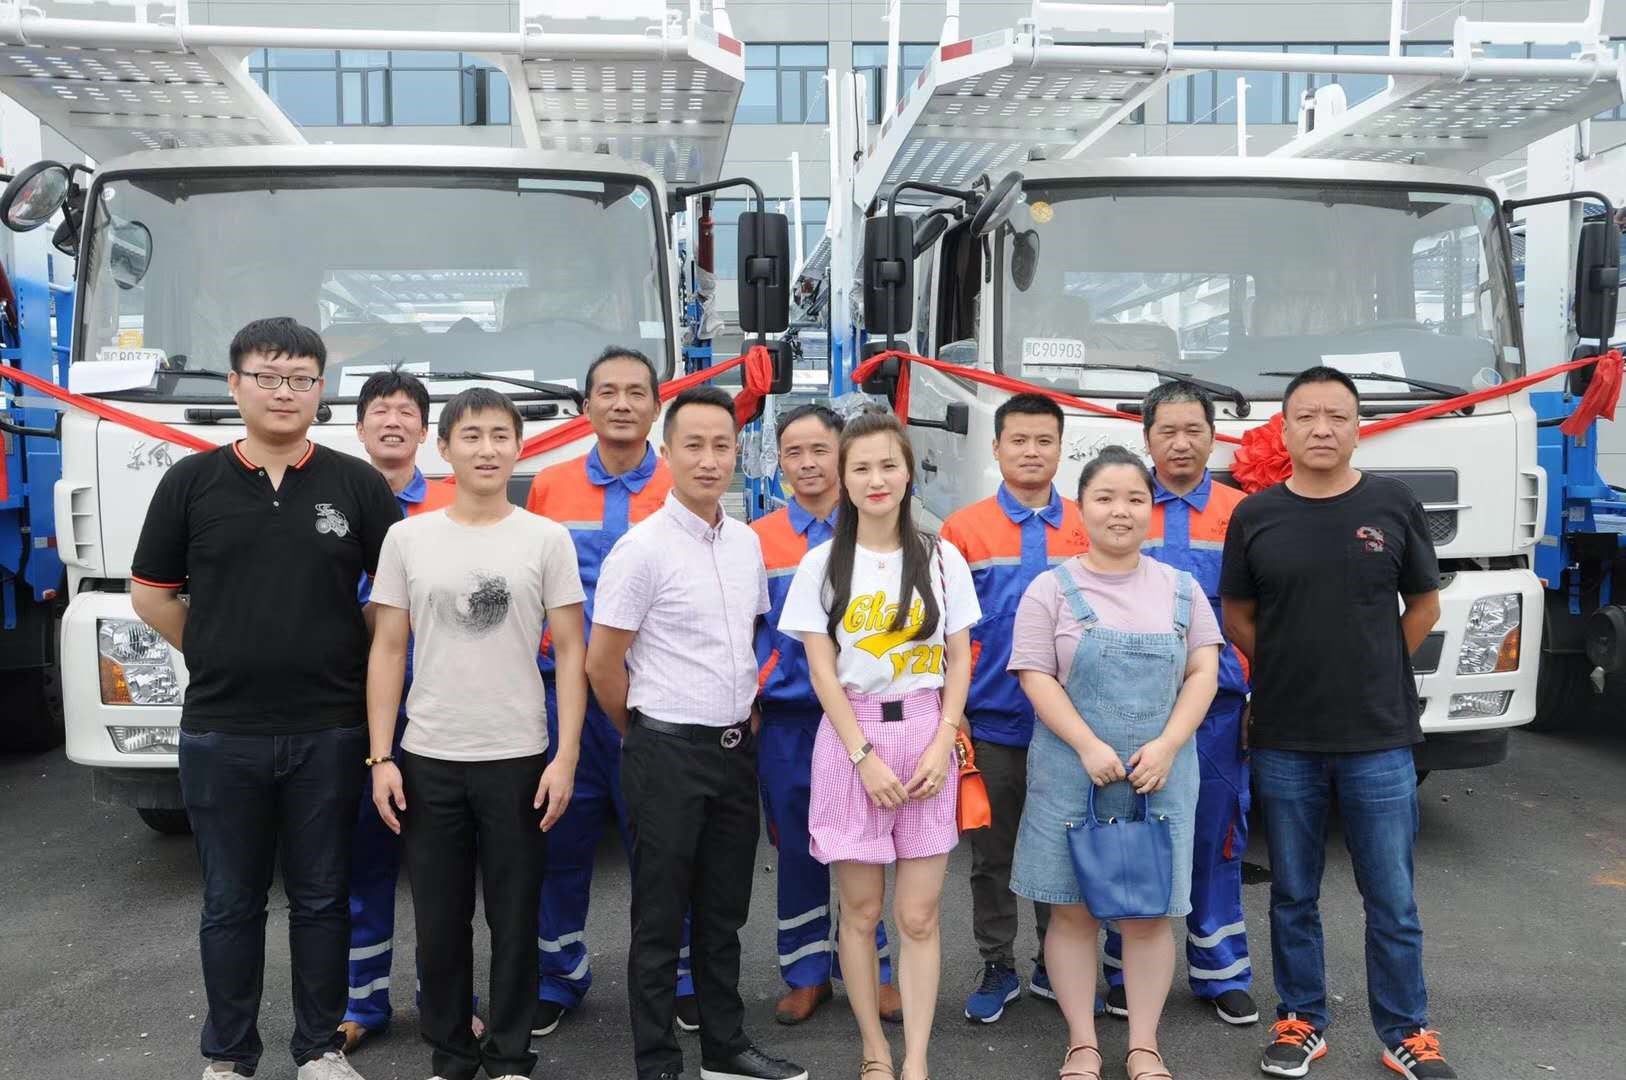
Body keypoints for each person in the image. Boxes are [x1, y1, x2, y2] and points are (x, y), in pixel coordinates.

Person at [131, 317, 401, 1080]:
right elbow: (151, 594)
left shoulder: (356, 485)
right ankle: (229, 1056)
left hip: (331, 729)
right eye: (268, 377)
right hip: (222, 731)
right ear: (235, 385)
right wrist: (215, 649)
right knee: (230, 901)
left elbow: (396, 593)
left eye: (301, 379)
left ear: (321, 389)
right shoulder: (192, 482)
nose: (285, 392)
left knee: (322, 897)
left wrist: (346, 645)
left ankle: (319, 1049)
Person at [1220, 367, 1451, 1080]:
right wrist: (1289, 666)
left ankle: (1406, 1031)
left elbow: (1424, 606)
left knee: (1392, 898)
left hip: (1379, 735)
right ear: (1284, 429)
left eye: (1338, 416)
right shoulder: (1256, 515)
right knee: (1293, 893)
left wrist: (1373, 666)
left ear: (1357, 428)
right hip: (1285, 735)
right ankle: (1300, 1021)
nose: (1322, 428)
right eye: (1307, 416)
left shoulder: (1392, 503)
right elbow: (1238, 615)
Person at [365, 387, 587, 1080]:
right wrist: (381, 756)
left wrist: (565, 756)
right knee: (439, 920)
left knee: (515, 917)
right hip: (429, 755)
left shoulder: (545, 538)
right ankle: (452, 1052)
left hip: (519, 756)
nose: (486, 449)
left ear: (519, 446)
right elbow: (388, 650)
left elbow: (572, 652)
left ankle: (512, 1053)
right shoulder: (407, 538)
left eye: (499, 436)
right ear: (444, 448)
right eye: (471, 436)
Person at [589, 385, 806, 1080]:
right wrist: (645, 732)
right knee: (659, 918)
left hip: (734, 752)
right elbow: (602, 663)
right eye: (694, 446)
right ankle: (657, 1061)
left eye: (722, 446)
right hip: (665, 752)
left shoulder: (745, 543)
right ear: (667, 452)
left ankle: (724, 1047)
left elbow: (745, 639)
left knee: (723, 913)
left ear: (738, 453)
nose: (710, 460)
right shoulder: (640, 550)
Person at [779, 410, 981, 1080]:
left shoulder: (942, 557)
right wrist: (862, 757)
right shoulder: (821, 564)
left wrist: (943, 738)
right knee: (861, 913)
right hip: (851, 739)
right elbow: (821, 672)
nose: (876, 479)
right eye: (861, 467)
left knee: (918, 916)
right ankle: (873, 1049)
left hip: (927, 731)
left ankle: (916, 1056)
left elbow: (960, 656)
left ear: (908, 472)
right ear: (843, 478)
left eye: (888, 465)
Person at [1008, 446, 1221, 1080]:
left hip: (1163, 774)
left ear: (1151, 508)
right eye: (1104, 498)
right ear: (1082, 508)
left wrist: (1169, 744)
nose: (1119, 511)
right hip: (1071, 773)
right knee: (1072, 911)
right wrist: (1087, 744)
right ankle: (1082, 1042)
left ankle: (1144, 1045)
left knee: (1149, 914)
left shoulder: (1181, 588)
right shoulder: (1050, 588)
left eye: (1134, 498)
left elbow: (1204, 671)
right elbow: (1034, 674)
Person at [524, 346, 695, 1038]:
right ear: (586, 405)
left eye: (636, 392)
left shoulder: (685, 485)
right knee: (557, 837)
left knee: (665, 844)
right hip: (564, 699)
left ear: (656, 405)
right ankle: (557, 974)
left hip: (659, 698)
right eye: (607, 392)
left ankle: (678, 975)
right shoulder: (549, 486)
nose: (622, 404)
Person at [1100, 382, 1257, 1027]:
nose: (1182, 443)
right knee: (1129, 837)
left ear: (1214, 437)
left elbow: (1262, 614)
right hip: (1128, 708)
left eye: (1194, 430)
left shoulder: (1243, 513)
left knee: (1215, 836)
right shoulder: (1123, 505)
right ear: (1147, 438)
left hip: (1217, 707)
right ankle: (1122, 972)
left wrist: (1257, 695)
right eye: (1167, 431)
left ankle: (1221, 971)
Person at [937, 393, 1088, 1024]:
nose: (1031, 451)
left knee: (1066, 850)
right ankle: (998, 963)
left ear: (1060, 449)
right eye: (1018, 440)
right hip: (994, 724)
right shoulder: (962, 530)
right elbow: (945, 632)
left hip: (1073, 728)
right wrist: (955, 715)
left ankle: (1058, 964)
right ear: (996, 448)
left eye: (1044, 440)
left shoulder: (1087, 521)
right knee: (992, 856)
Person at [752, 403, 902, 1026]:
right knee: (798, 848)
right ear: (778, 462)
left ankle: (873, 969)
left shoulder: (877, 530)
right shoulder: (757, 539)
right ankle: (806, 972)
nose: (808, 463)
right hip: (791, 720)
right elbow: (746, 630)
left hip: (867, 717)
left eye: (820, 450)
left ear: (841, 456)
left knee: (868, 845)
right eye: (794, 452)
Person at [341, 368, 459, 1053]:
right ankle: (363, 1000)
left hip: (443, 707)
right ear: (359, 428)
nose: (393, 421)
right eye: (380, 411)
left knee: (446, 866)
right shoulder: (330, 500)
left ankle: (448, 1001)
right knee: (364, 859)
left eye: (406, 411)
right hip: (357, 710)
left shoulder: (452, 505)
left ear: (424, 430)